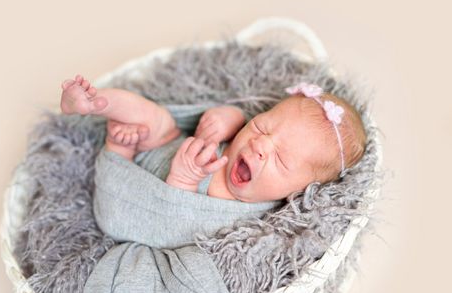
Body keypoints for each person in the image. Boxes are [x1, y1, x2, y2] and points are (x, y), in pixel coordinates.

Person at [60, 75, 366, 203]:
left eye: (282, 159)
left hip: (144, 190)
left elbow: (175, 224)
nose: (260, 145)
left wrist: (184, 179)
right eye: (261, 127)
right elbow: (240, 115)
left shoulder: (241, 210)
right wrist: (226, 118)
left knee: (125, 147)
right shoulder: (244, 144)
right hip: (165, 141)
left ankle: (118, 151)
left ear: (298, 192)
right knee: (155, 118)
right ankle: (94, 103)